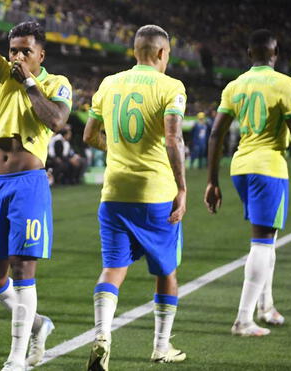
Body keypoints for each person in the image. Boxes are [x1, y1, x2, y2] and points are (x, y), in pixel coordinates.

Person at [0, 1, 72, 369]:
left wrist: (28, 81)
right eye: (14, 50)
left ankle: (15, 359)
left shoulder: (56, 84)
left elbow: (55, 120)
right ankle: (39, 325)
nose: (18, 56)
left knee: (24, 270)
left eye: (26, 51)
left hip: (29, 183)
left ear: (41, 54)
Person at [205, 29, 291, 337]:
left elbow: (216, 135)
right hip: (268, 168)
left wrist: (212, 181)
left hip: (240, 168)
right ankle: (243, 319)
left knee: (268, 239)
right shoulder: (284, 84)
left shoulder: (234, 86)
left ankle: (266, 306)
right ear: (276, 54)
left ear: (249, 54)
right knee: (262, 243)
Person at [83, 25, 188, 370]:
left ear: (135, 51)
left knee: (113, 269)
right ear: (161, 53)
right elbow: (172, 139)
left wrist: (115, 150)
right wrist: (182, 188)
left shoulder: (109, 83)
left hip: (113, 192)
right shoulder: (171, 86)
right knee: (166, 270)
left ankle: (101, 337)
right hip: (155, 193)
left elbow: (89, 135)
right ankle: (161, 346)